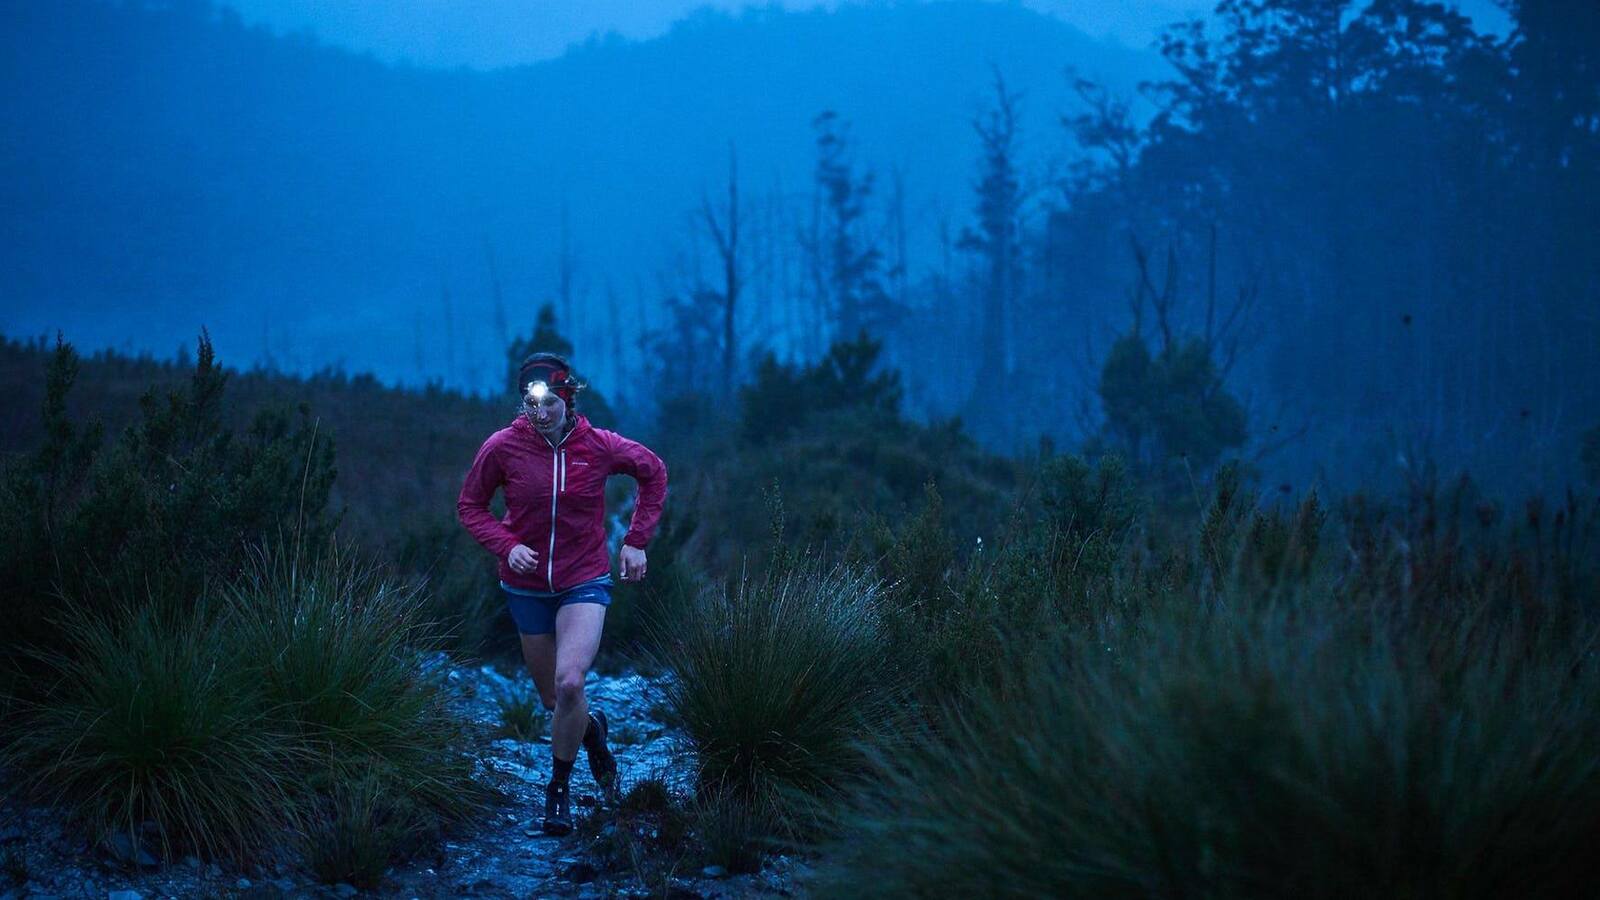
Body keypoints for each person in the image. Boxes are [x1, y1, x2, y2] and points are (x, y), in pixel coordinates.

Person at [457, 351, 668, 836]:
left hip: (583, 579)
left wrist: (636, 540)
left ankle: (558, 790)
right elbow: (470, 506)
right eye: (532, 403)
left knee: (571, 682)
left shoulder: (598, 445)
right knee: (555, 701)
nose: (541, 412)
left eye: (550, 402)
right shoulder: (502, 447)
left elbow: (653, 471)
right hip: (527, 586)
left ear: (568, 399)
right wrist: (507, 546)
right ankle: (592, 730)